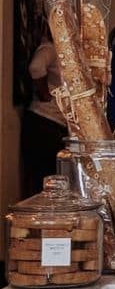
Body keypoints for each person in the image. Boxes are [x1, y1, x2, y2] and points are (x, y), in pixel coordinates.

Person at [20, 33, 67, 196]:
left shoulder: (65, 52)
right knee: (42, 178)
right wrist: (45, 93)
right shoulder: (50, 48)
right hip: (43, 119)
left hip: (56, 123)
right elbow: (36, 67)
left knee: (52, 176)